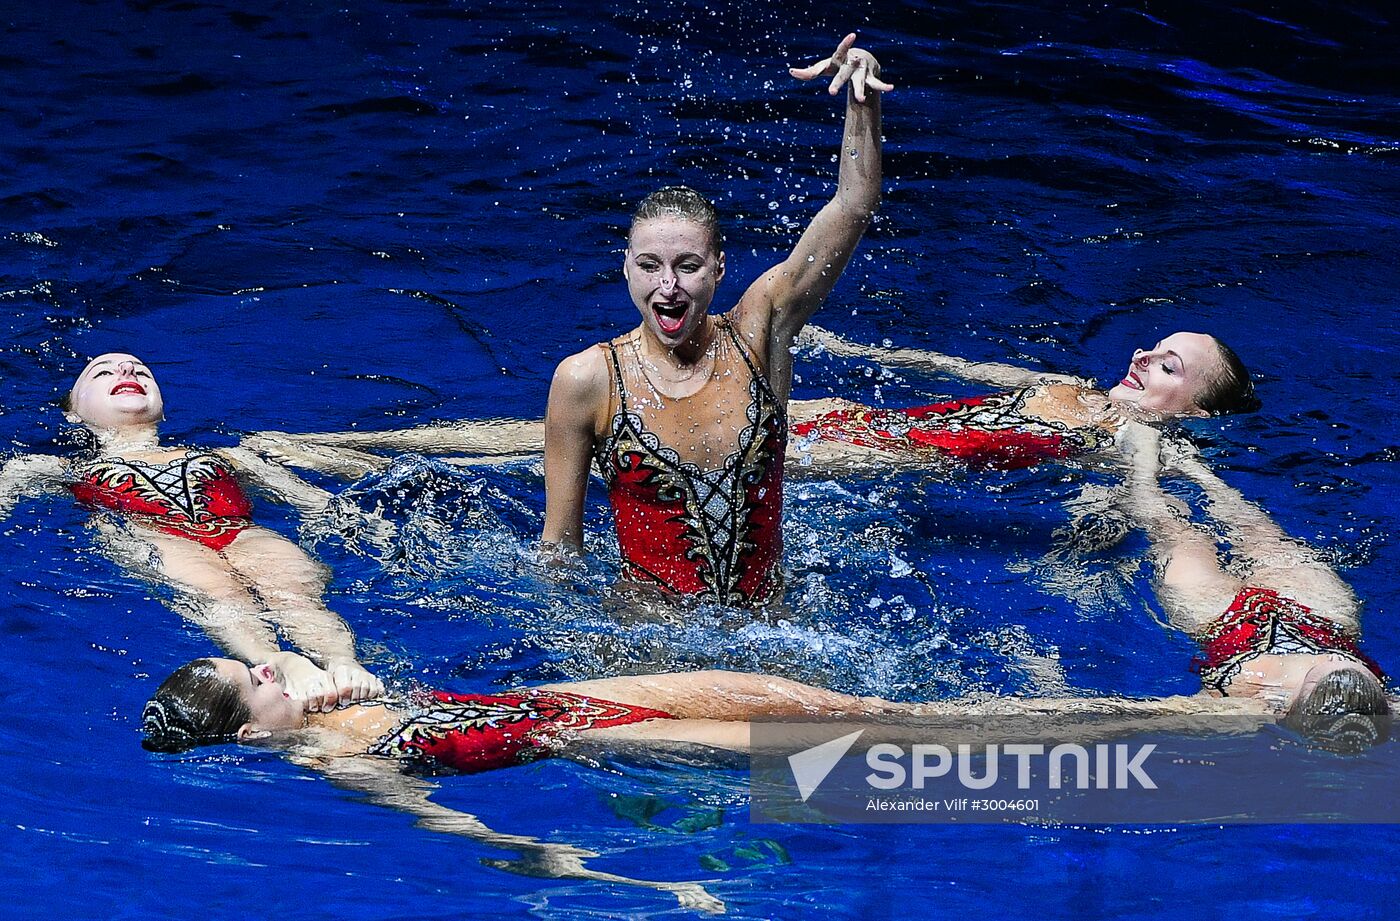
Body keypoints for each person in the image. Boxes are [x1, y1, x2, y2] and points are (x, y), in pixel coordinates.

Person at [539, 33, 888, 606]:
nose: (668, 286)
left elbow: (851, 207)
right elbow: (560, 552)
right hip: (646, 643)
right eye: (649, 266)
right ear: (625, 269)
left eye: (688, 266)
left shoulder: (759, 334)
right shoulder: (588, 381)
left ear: (719, 270)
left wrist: (861, 100)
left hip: (774, 633)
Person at [0, 353, 384, 708]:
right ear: (73, 413)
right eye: (103, 372)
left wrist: (361, 524)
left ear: (163, 410)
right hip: (154, 534)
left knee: (293, 592)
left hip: (239, 530)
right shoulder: (56, 467)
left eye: (141, 371)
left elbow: (309, 499)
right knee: (218, 594)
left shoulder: (226, 455)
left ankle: (342, 661)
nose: (127, 372)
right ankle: (274, 659)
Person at [1116, 421, 1389, 752]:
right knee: (1263, 535)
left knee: (1180, 536)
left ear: (1292, 706)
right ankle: (1197, 471)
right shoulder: (1381, 708)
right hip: (1318, 616)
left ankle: (1141, 469)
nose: (1332, 662)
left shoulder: (1252, 703)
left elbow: (1135, 715)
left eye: (1324, 671)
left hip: (1225, 623)